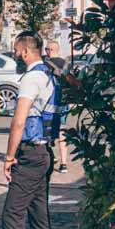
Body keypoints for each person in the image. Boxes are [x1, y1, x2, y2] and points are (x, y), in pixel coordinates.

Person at [2, 32, 57, 229]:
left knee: (12, 215)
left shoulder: (30, 78)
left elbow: (19, 121)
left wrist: (9, 156)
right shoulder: (49, 75)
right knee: (39, 217)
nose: (15, 54)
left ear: (25, 51)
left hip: (30, 154)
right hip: (44, 151)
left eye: (16, 50)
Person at [44, 40, 70, 173]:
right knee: (62, 130)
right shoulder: (66, 64)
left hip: (50, 101)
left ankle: (50, 155)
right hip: (64, 100)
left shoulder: (46, 64)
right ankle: (64, 162)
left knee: (48, 128)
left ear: (50, 50)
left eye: (46, 49)